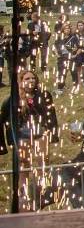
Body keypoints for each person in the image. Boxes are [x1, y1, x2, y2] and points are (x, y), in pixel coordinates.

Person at [0, 69, 60, 210]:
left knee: (42, 162)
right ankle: (23, 194)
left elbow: (51, 114)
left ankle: (41, 191)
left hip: (41, 133)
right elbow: (2, 118)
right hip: (22, 136)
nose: (31, 81)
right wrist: (4, 143)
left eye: (33, 78)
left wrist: (53, 134)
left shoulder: (44, 95)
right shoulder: (12, 99)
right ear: (20, 82)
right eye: (27, 78)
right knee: (24, 164)